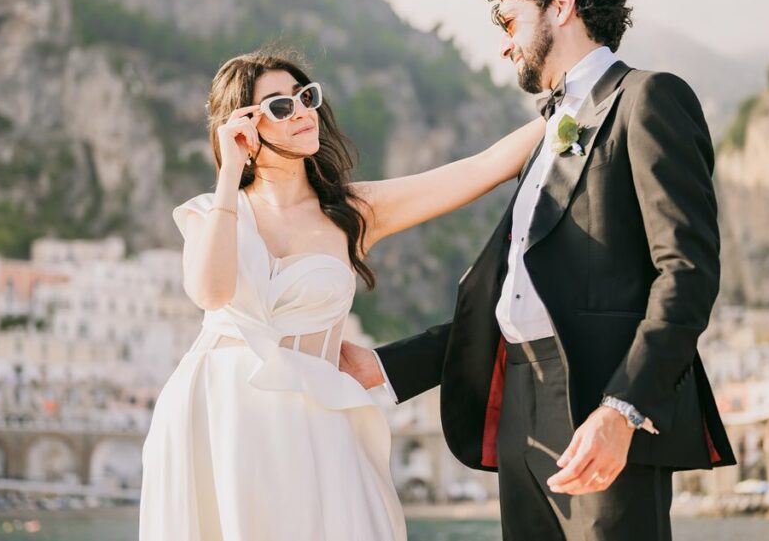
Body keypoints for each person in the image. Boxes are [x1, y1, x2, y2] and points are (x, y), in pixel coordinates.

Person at [340, 0, 737, 541]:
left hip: (599, 401)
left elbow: (686, 271)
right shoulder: (543, 133)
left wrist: (624, 409)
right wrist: (384, 367)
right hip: (517, 408)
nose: (504, 44)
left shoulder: (649, 97)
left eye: (510, 22)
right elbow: (515, 299)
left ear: (562, 6)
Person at [138, 50, 547, 541]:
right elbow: (211, 291)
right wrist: (230, 171)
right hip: (216, 415)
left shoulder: (353, 211)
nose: (302, 111)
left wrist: (573, 105)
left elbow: (484, 167)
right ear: (245, 125)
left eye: (305, 97)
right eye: (280, 107)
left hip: (314, 420)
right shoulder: (213, 211)